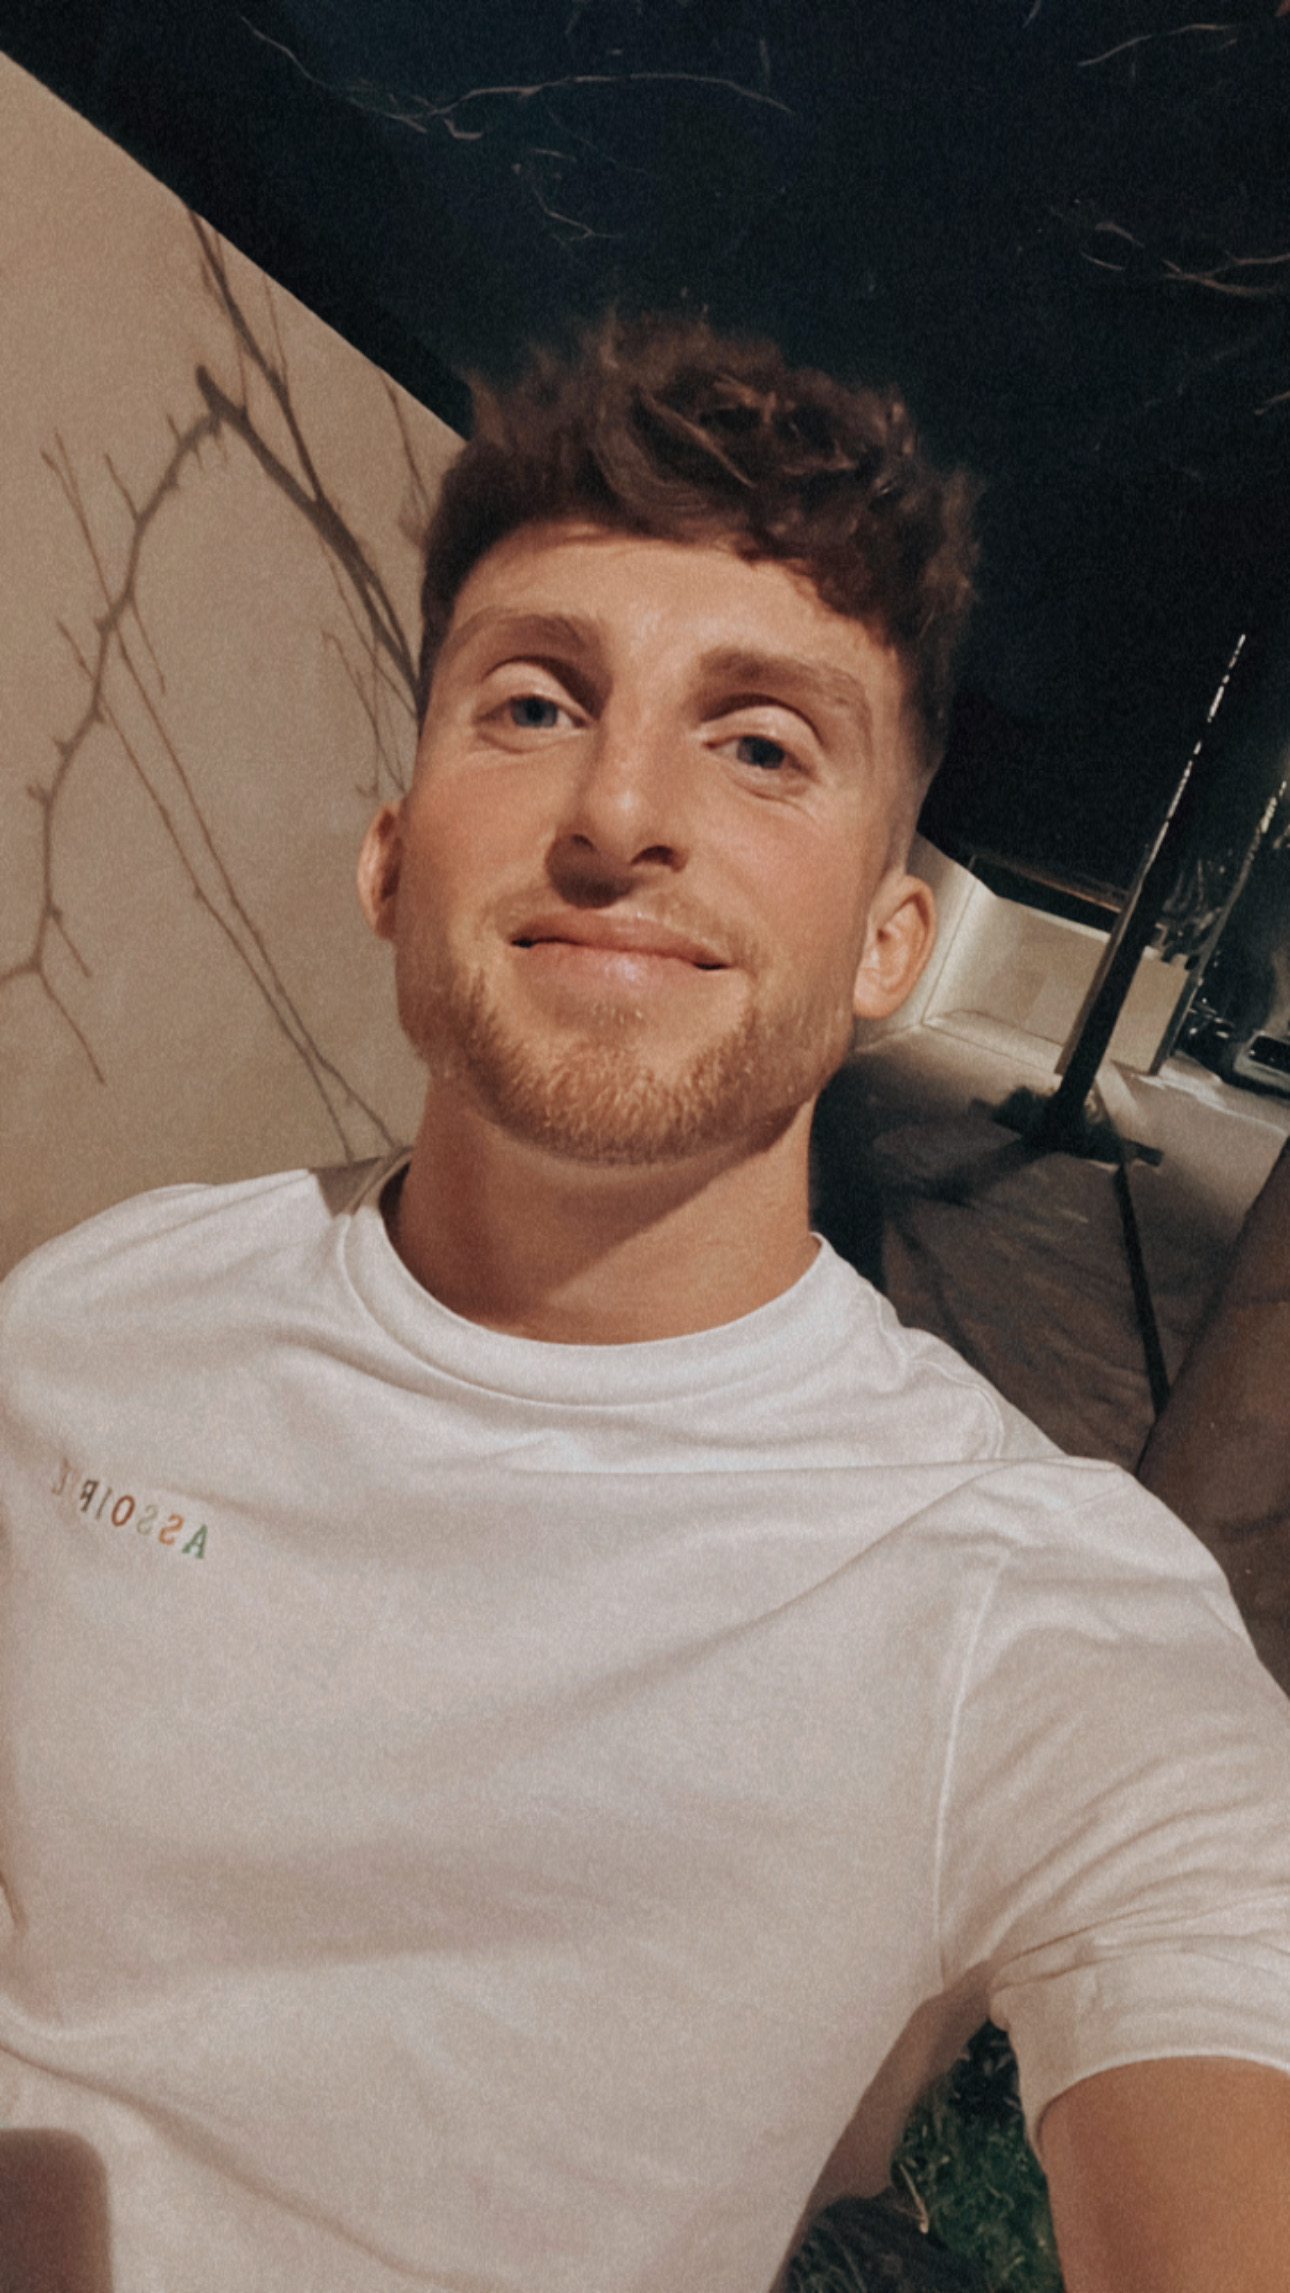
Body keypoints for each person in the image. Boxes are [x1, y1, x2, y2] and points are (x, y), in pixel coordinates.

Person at [0, 316, 1288, 2293]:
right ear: (389, 857)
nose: (619, 812)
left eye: (762, 744)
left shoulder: (1020, 1601)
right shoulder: (111, 1301)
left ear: (887, 944)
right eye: (532, 704)